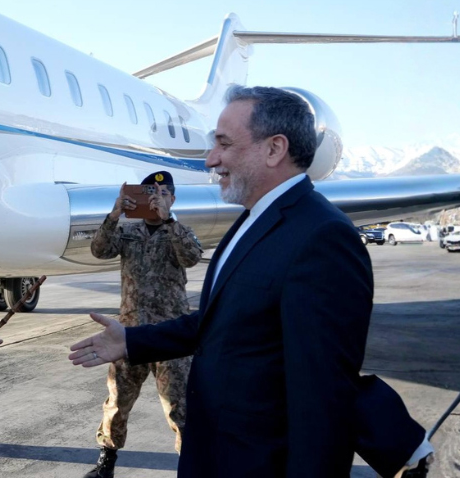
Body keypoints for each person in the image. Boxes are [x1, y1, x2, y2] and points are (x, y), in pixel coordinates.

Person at [69, 86, 432, 477]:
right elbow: (220, 322)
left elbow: (322, 396)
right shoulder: (253, 218)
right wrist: (132, 340)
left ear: (274, 149)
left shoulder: (322, 237)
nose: (211, 159)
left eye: (224, 144)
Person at [82, 171, 203, 478]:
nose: (155, 198)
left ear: (172, 199)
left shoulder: (180, 231)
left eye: (162, 193)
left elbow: (191, 257)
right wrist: (115, 212)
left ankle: (192, 466)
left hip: (169, 337)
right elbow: (98, 249)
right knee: (117, 402)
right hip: (130, 335)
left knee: (182, 407)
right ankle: (105, 463)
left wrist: (170, 219)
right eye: (150, 192)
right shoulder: (127, 231)